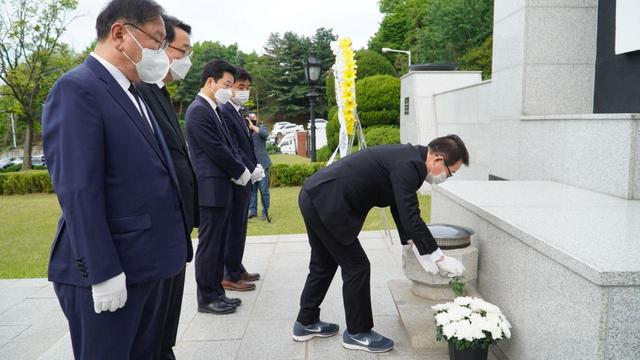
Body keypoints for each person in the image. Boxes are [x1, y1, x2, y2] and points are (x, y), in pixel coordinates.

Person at [41, 1, 190, 358]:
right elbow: (79, 191)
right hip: (112, 269)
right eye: (156, 41)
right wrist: (102, 272)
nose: (160, 52)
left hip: (148, 263)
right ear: (120, 34)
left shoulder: (133, 91)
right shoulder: (78, 89)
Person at [292, 135, 469, 353]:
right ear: (438, 160)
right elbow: (410, 215)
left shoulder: (410, 159)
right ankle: (358, 333)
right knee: (357, 266)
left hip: (316, 195)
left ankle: (306, 322)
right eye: (450, 173)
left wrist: (417, 247)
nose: (446, 177)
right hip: (326, 202)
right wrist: (439, 257)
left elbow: (400, 208)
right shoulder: (410, 165)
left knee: (324, 264)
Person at [134, 15, 195, 360]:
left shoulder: (159, 91)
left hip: (175, 224)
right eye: (180, 49)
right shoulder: (139, 91)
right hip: (156, 228)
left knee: (166, 317)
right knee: (152, 322)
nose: (185, 58)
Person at [185, 60, 264, 315]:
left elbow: (228, 145)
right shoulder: (198, 110)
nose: (230, 91)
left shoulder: (213, 109)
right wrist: (241, 171)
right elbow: (216, 149)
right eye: (227, 85)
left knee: (218, 244)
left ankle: (217, 292)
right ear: (211, 82)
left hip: (222, 187)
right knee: (210, 247)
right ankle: (207, 297)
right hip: (211, 189)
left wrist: (244, 170)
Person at [220, 67, 262, 292]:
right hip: (237, 177)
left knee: (241, 226)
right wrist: (247, 168)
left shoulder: (238, 111)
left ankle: (237, 266)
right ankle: (229, 274)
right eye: (239, 87)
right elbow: (232, 147)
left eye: (247, 88)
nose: (244, 91)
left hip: (246, 175)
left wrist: (254, 166)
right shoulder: (226, 110)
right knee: (234, 228)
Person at [248, 112, 272, 221]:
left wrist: (253, 126)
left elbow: (266, 135)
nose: (251, 119)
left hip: (263, 164)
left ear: (256, 118)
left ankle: (264, 212)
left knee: (264, 190)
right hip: (251, 165)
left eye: (253, 118)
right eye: (249, 118)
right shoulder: (247, 131)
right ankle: (253, 211)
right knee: (252, 191)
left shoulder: (261, 127)